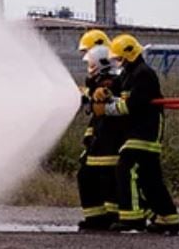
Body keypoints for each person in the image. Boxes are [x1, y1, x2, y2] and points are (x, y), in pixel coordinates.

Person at [97, 34, 179, 235]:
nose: (117, 62)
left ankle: (132, 219)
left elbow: (132, 105)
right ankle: (168, 219)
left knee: (126, 167)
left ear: (129, 55)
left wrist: (106, 109)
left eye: (119, 58)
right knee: (150, 179)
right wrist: (102, 92)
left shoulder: (144, 75)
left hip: (146, 131)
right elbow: (115, 89)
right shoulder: (128, 74)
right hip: (135, 131)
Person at [76, 44, 124, 231]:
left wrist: (98, 96)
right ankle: (95, 217)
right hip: (99, 139)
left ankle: (112, 216)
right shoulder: (98, 82)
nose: (89, 68)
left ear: (101, 64)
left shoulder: (112, 82)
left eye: (91, 64)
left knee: (107, 178)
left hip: (110, 140)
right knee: (86, 175)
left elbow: (111, 101)